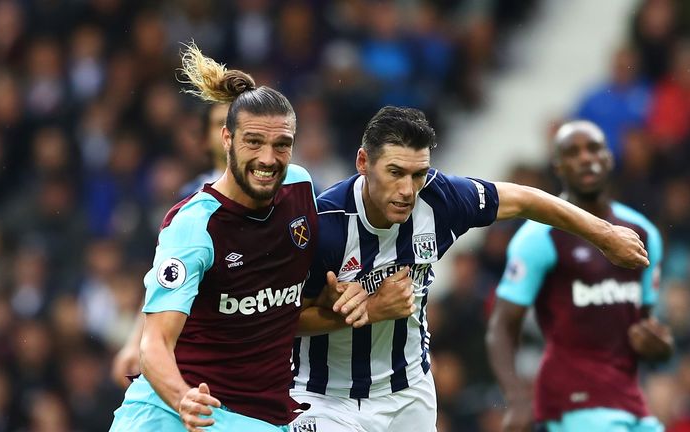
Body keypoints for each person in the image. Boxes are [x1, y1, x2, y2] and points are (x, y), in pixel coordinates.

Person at [289, 108, 650, 432]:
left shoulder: (441, 198)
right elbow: (277, 320)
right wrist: (369, 311)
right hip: (325, 397)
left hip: (409, 391)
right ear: (363, 162)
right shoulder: (325, 226)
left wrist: (604, 234)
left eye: (418, 174)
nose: (406, 190)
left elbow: (525, 199)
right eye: (395, 172)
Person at [109, 43, 320, 432]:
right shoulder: (193, 226)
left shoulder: (302, 189)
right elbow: (154, 343)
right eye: (253, 142)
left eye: (281, 145)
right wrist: (181, 398)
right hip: (173, 412)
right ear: (226, 139)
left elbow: (297, 308)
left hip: (257, 418)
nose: (268, 159)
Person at [485, 120, 673, 432]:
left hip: (629, 402)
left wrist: (660, 347)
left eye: (594, 148)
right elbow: (503, 325)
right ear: (558, 166)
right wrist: (517, 400)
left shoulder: (644, 233)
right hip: (571, 403)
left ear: (609, 158)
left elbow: (644, 329)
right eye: (573, 152)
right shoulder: (538, 237)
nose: (586, 158)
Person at [110, 102, 230, 389]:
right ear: (202, 138)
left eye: (236, 122)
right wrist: (135, 342)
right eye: (219, 124)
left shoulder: (289, 187)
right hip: (205, 339)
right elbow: (166, 277)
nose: (229, 131)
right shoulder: (190, 200)